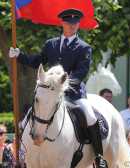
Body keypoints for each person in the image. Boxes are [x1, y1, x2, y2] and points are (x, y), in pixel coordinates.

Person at [8, 9, 107, 168]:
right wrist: (19, 55)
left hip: (73, 93)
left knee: (90, 116)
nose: (72, 26)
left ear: (78, 25)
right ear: (62, 23)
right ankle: (20, 154)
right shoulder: (51, 44)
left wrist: (64, 86)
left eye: (75, 23)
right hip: (49, 92)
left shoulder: (84, 47)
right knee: (26, 118)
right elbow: (37, 61)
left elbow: (81, 72)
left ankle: (98, 157)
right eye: (69, 23)